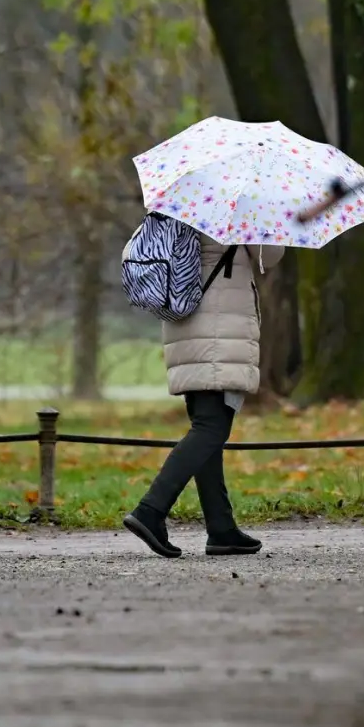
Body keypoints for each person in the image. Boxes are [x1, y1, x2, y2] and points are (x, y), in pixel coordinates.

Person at [121, 232, 283, 558]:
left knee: (207, 427)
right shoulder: (234, 205)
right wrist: (265, 222)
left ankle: (221, 528)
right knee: (211, 427)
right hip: (218, 326)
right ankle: (150, 511)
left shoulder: (184, 205)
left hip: (186, 318)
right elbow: (271, 256)